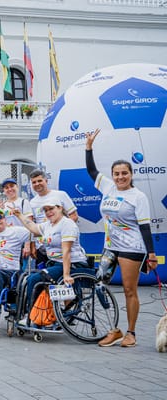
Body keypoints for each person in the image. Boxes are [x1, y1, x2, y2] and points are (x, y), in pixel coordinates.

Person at [86, 129, 158, 348]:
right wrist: (88, 147)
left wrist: (152, 254)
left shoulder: (138, 197)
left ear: (131, 174)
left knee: (129, 290)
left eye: (124, 173)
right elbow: (91, 171)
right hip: (110, 247)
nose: (120, 177)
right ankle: (114, 330)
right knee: (99, 286)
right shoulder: (108, 187)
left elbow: (145, 227)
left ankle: (131, 333)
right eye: (116, 173)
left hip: (131, 248)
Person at [12, 196, 90, 321]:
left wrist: (66, 275)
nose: (49, 212)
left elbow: (66, 251)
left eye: (51, 209)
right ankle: (43, 312)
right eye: (46, 210)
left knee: (34, 279)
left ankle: (31, 315)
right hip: (55, 263)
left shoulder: (67, 224)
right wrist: (19, 215)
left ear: (60, 208)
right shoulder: (48, 225)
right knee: (27, 278)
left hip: (73, 264)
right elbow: (32, 227)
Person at [29, 169, 78, 264]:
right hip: (42, 247)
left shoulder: (60, 195)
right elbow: (32, 226)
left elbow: (74, 216)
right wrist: (32, 245)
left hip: (60, 246)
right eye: (34, 182)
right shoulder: (32, 202)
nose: (37, 184)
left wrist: (60, 230)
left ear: (46, 181)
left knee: (60, 273)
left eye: (40, 181)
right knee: (42, 276)